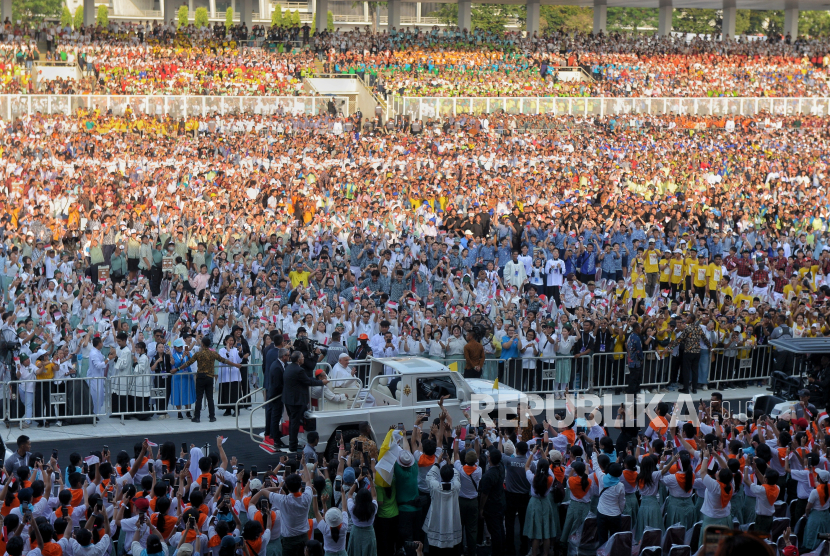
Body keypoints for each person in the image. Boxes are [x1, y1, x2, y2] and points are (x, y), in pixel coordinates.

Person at [171, 336, 242, 423]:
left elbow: (188, 363)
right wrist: (235, 364)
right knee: (210, 398)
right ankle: (212, 416)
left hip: (200, 377)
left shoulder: (198, 354)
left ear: (202, 344)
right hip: (210, 377)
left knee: (199, 398)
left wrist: (177, 369)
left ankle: (197, 417)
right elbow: (224, 361)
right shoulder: (213, 353)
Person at [282, 351, 328, 452]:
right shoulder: (299, 370)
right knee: (294, 423)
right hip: (296, 401)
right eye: (303, 357)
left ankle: (292, 443)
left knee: (293, 422)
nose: (304, 358)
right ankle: (293, 446)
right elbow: (309, 382)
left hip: (288, 399)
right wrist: (321, 382)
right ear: (298, 359)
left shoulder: (289, 367)